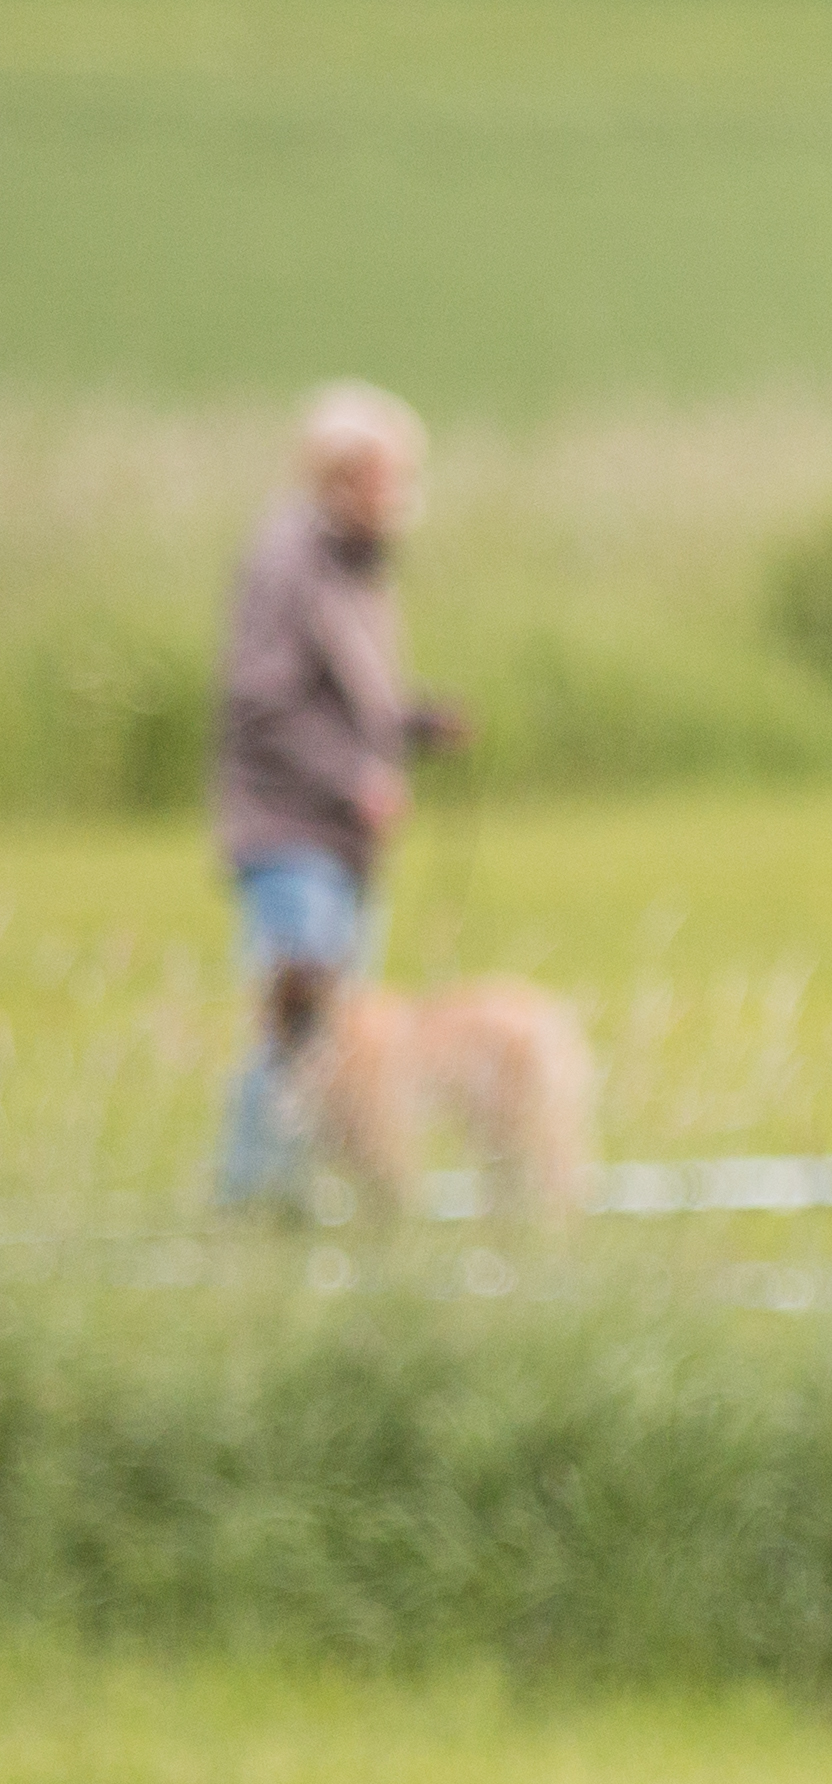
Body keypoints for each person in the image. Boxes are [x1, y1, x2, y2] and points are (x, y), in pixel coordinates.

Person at [210, 382, 467, 1213]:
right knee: (299, 1024)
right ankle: (254, 1198)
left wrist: (415, 724)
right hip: (290, 831)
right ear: (343, 476)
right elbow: (262, 703)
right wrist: (351, 779)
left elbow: (345, 695)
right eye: (387, 476)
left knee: (342, 1033)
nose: (400, 496)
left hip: (339, 835)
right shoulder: (289, 562)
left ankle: (309, 1190)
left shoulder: (355, 560)